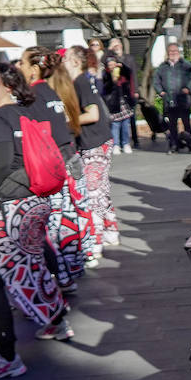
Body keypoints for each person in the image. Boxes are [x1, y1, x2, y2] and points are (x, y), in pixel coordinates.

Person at [0, 61, 68, 380]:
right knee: (29, 266)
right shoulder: (31, 111)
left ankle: (8, 357)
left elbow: (0, 163)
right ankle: (56, 319)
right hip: (35, 200)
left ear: (9, 86)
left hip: (10, 205)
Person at [19, 45, 93, 301]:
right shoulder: (50, 91)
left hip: (56, 165)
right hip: (69, 158)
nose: (19, 67)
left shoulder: (33, 95)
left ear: (35, 67)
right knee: (68, 219)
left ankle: (62, 276)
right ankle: (73, 268)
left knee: (54, 224)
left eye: (22, 62)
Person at [65, 46, 120, 249]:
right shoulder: (80, 81)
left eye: (66, 58)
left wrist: (68, 121)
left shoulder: (80, 82)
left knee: (93, 192)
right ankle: (111, 231)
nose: (63, 62)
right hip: (97, 141)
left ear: (76, 62)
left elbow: (93, 114)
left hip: (95, 143)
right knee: (101, 190)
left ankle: (95, 241)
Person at [153, 41, 191, 153]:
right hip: (170, 101)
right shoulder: (162, 67)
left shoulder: (185, 65)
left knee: (186, 123)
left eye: (175, 51)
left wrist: (188, 88)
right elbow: (156, 81)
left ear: (178, 52)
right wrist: (161, 92)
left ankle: (190, 144)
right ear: (167, 53)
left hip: (183, 99)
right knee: (172, 125)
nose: (173, 53)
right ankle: (174, 145)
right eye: (171, 51)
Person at [102, 55, 135, 152]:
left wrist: (122, 66)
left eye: (113, 63)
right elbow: (105, 88)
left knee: (125, 124)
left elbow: (129, 73)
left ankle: (126, 143)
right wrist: (112, 81)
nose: (112, 65)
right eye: (110, 64)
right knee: (115, 125)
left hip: (124, 101)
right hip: (114, 102)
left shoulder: (122, 71)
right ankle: (116, 144)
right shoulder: (106, 74)